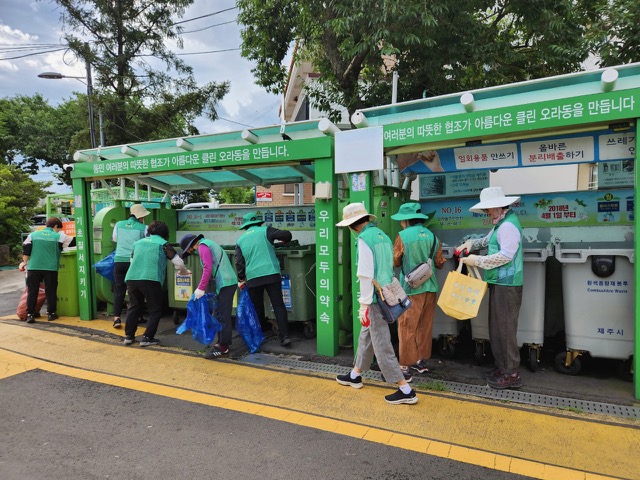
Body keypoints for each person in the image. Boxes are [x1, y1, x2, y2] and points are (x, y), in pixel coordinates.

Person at [335, 202, 418, 405]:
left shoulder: (364, 239)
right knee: (367, 337)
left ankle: (405, 389)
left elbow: (365, 274)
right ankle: (355, 375)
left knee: (381, 343)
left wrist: (363, 305)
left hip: (374, 298)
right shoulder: (382, 235)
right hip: (386, 293)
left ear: (353, 225)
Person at [456, 186, 524, 390]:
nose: (486, 213)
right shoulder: (501, 223)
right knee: (497, 328)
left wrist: (478, 260)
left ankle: (511, 373)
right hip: (499, 282)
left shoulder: (508, 227)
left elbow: (505, 256)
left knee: (504, 330)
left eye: (487, 210)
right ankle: (502, 367)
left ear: (497, 207)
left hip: (508, 284)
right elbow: (487, 241)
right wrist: (470, 244)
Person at [391, 202, 445, 376]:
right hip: (430, 288)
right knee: (424, 325)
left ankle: (405, 365)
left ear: (406, 220)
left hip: (411, 289)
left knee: (407, 325)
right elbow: (439, 263)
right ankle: (421, 361)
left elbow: (396, 261)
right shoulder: (433, 237)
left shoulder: (403, 236)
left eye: (401, 220)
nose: (400, 224)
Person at [123, 220, 190, 347]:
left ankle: (129, 336)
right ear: (165, 233)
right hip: (150, 279)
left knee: (134, 306)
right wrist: (183, 272)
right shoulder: (163, 244)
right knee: (155, 309)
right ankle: (147, 337)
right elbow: (179, 263)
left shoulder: (138, 243)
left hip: (132, 278)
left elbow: (132, 260)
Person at [235, 212, 293, 347]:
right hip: (271, 273)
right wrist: (283, 241)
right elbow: (287, 235)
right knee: (278, 304)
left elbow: (239, 262)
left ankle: (260, 334)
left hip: (253, 277)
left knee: (257, 306)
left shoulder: (240, 240)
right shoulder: (266, 230)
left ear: (246, 225)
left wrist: (241, 278)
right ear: (258, 222)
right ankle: (285, 337)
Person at [179, 233, 238, 359]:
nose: (190, 252)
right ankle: (221, 342)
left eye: (188, 249)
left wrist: (200, 288)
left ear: (191, 245)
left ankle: (224, 347)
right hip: (225, 284)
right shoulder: (208, 244)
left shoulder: (202, 246)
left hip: (225, 284)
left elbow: (207, 268)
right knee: (218, 314)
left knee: (222, 316)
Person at [19, 217, 74, 323]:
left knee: (32, 291)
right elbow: (73, 242)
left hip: (34, 267)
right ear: (56, 226)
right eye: (59, 228)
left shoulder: (33, 235)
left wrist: (24, 263)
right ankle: (51, 314)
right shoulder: (59, 236)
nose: (59, 231)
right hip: (50, 268)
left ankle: (30, 314)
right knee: (51, 291)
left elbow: (26, 249)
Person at [111, 204, 150, 329]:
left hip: (119, 261)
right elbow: (147, 243)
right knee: (136, 290)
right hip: (134, 262)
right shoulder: (144, 228)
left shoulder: (118, 224)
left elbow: (115, 239)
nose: (144, 218)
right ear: (139, 216)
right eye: (143, 216)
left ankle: (116, 318)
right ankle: (137, 316)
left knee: (119, 290)